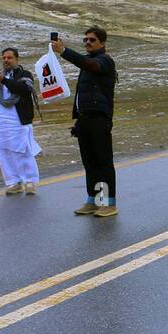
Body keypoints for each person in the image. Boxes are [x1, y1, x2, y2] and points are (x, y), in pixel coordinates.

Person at [54, 27, 119, 217]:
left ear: (102, 43)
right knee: (89, 163)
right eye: (86, 40)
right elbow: (81, 95)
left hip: (100, 119)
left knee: (103, 162)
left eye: (92, 39)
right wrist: (78, 121)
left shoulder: (104, 61)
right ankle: (93, 200)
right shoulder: (86, 64)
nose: (88, 42)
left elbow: (90, 65)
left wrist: (64, 51)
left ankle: (108, 203)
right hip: (85, 119)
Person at [0, 47, 42, 195]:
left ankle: (29, 181)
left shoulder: (24, 74)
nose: (6, 60)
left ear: (16, 59)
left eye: (9, 58)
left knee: (22, 150)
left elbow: (24, 90)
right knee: (3, 151)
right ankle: (13, 182)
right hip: (0, 120)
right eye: (4, 58)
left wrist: (5, 80)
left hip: (18, 119)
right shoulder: (0, 76)